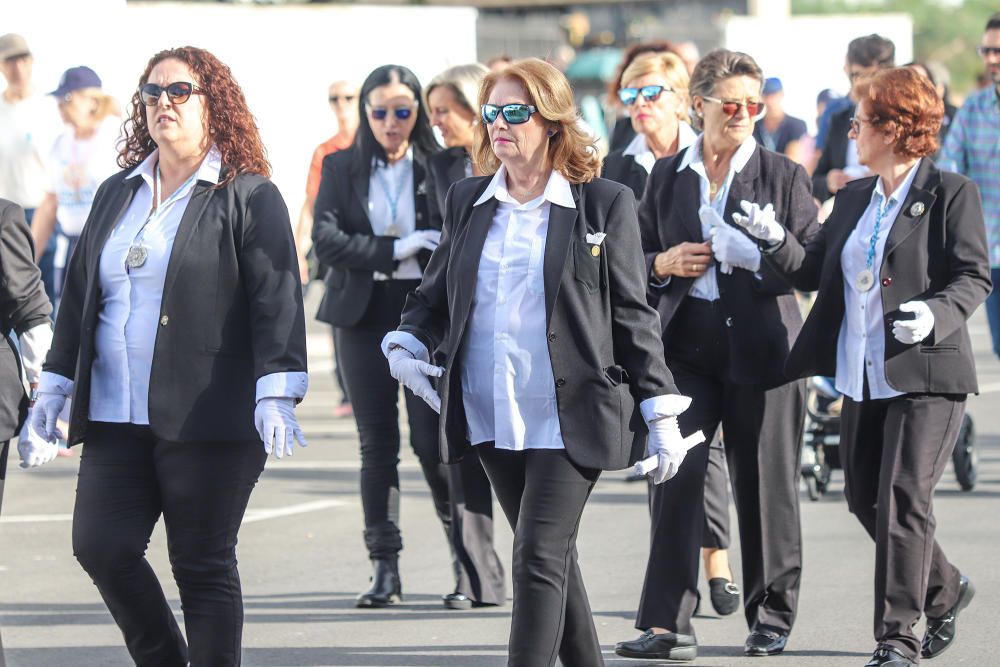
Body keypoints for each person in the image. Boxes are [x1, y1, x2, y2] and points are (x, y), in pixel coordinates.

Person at [383, 57, 692, 667]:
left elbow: (632, 314)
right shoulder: (469, 199)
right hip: (492, 410)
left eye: (515, 112)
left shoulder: (604, 204)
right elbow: (436, 295)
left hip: (569, 412)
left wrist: (660, 410)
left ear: (550, 121)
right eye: (492, 111)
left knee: (536, 554)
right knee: (552, 557)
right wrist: (406, 342)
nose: (499, 123)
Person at [31, 46, 308, 667]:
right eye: (152, 93)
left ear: (214, 103)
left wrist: (277, 389)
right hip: (115, 413)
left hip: (209, 415)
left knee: (201, 565)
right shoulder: (116, 192)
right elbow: (79, 294)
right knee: (101, 546)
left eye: (180, 91)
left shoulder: (248, 195)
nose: (163, 104)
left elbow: (277, 300)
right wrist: (54, 381)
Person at [735, 67, 990, 667]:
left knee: (903, 499)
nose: (851, 129)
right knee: (862, 497)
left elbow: (973, 275)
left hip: (926, 373)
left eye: (861, 120)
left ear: (896, 127)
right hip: (862, 371)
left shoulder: (951, 192)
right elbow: (810, 271)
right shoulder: (852, 196)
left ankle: (896, 637)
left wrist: (936, 313)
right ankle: (945, 589)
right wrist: (774, 240)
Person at [616, 49, 820, 661]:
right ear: (697, 104)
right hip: (687, 348)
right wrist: (663, 263)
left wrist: (765, 249)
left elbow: (811, 268)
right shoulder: (666, 175)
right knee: (672, 478)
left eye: (753, 105)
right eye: (730, 104)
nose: (743, 115)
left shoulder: (783, 176)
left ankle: (771, 617)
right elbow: (636, 260)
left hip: (764, 348)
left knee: (765, 487)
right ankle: (666, 624)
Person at [311, 64, 462, 609]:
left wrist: (429, 246)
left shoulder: (440, 164)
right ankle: (385, 567)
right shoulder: (341, 165)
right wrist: (391, 248)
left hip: (422, 314)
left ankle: (465, 560)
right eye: (380, 112)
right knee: (377, 445)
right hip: (362, 312)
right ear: (364, 113)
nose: (392, 123)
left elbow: (461, 229)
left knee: (431, 443)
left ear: (418, 113)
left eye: (403, 111)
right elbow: (325, 238)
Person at [601, 50, 740, 617]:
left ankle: (717, 560)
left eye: (651, 93)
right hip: (645, 325)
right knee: (669, 448)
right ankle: (690, 579)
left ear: (684, 99)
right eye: (630, 96)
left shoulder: (708, 155)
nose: (639, 106)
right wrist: (660, 263)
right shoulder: (616, 166)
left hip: (717, 327)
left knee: (703, 447)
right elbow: (607, 252)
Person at [422, 62, 507, 609]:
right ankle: (477, 575)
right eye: (431, 116)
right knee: (456, 450)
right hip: (455, 323)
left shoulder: (517, 158)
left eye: (444, 113)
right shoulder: (442, 165)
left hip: (512, 327)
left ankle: (543, 568)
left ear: (476, 109)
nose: (437, 125)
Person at [29, 66, 120, 310]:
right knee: (66, 324)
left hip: (108, 248)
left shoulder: (117, 137)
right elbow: (49, 204)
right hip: (70, 249)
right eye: (58, 99)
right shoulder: (60, 143)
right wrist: (28, 261)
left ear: (92, 99)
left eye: (68, 98)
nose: (61, 105)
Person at [297, 79, 360, 419]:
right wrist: (297, 248)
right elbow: (310, 204)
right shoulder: (326, 151)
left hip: (374, 248)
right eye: (334, 98)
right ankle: (347, 390)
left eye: (348, 97)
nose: (341, 104)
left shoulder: (376, 141)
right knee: (339, 316)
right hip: (338, 250)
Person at [940, 12, 1000, 360]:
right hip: (990, 252)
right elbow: (950, 170)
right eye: (986, 51)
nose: (991, 59)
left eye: (998, 51)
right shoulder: (974, 109)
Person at [0, 34, 61, 305]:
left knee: (45, 293)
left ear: (32, 62)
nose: (18, 68)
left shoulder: (50, 107)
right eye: (10, 61)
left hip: (43, 209)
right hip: (6, 212)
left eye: (23, 60)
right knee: (10, 294)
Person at [813, 34, 895, 201]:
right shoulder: (839, 119)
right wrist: (830, 181)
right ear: (847, 70)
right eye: (858, 76)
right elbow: (814, 181)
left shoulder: (902, 119)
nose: (864, 84)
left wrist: (881, 176)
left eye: (873, 76)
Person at [606, 41, 679, 153]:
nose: (639, 102)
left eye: (652, 92)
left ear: (679, 97)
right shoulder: (615, 163)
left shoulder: (704, 149)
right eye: (630, 94)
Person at [753, 77, 809, 165]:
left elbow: (791, 161)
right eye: (766, 95)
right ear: (761, 97)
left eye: (774, 95)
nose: (770, 101)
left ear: (781, 95)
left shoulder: (797, 125)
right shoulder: (754, 127)